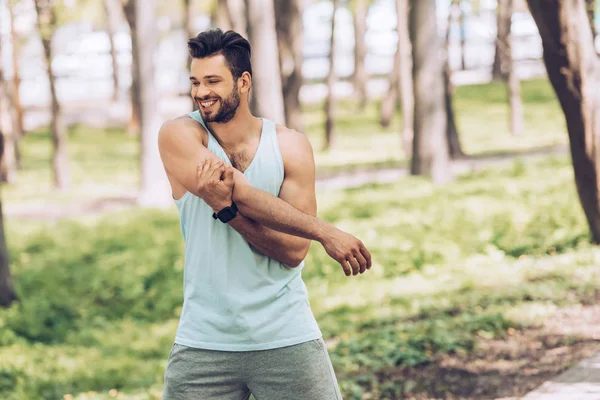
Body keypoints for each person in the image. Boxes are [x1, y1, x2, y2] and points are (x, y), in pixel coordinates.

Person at [158, 28, 372, 400]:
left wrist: (226, 211)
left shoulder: (290, 146)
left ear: (243, 82)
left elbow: (291, 252)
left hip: (286, 335)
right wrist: (326, 232)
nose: (200, 92)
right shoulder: (179, 135)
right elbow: (240, 190)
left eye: (212, 81)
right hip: (204, 342)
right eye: (195, 81)